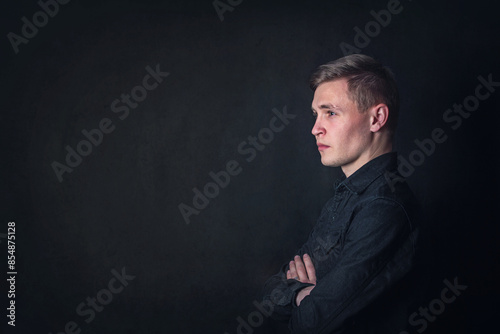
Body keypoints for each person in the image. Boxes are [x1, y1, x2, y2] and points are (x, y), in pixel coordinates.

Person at [262, 54, 426, 333]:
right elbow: (268, 299)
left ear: (377, 118)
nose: (315, 129)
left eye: (331, 113)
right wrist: (301, 295)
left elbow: (311, 324)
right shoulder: (350, 195)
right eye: (316, 114)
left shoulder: (385, 207)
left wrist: (299, 296)